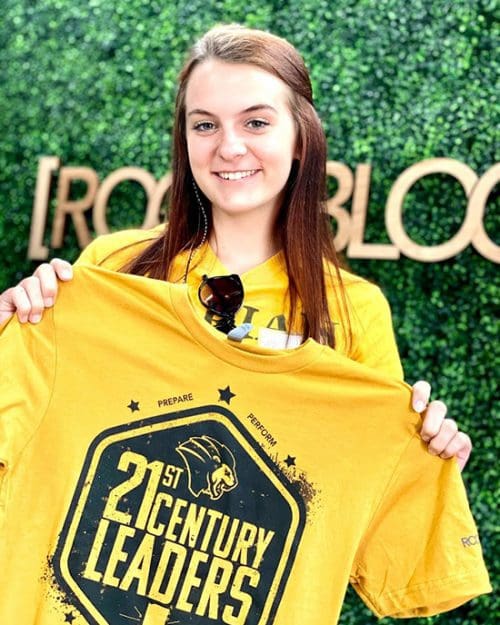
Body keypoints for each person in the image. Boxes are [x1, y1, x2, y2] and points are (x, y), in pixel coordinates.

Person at [0, 24, 488, 625]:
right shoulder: (110, 270)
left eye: (256, 122)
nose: (228, 147)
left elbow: (374, 535)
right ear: (185, 141)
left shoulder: (354, 310)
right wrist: (13, 330)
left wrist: (423, 458)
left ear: (301, 138)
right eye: (205, 125)